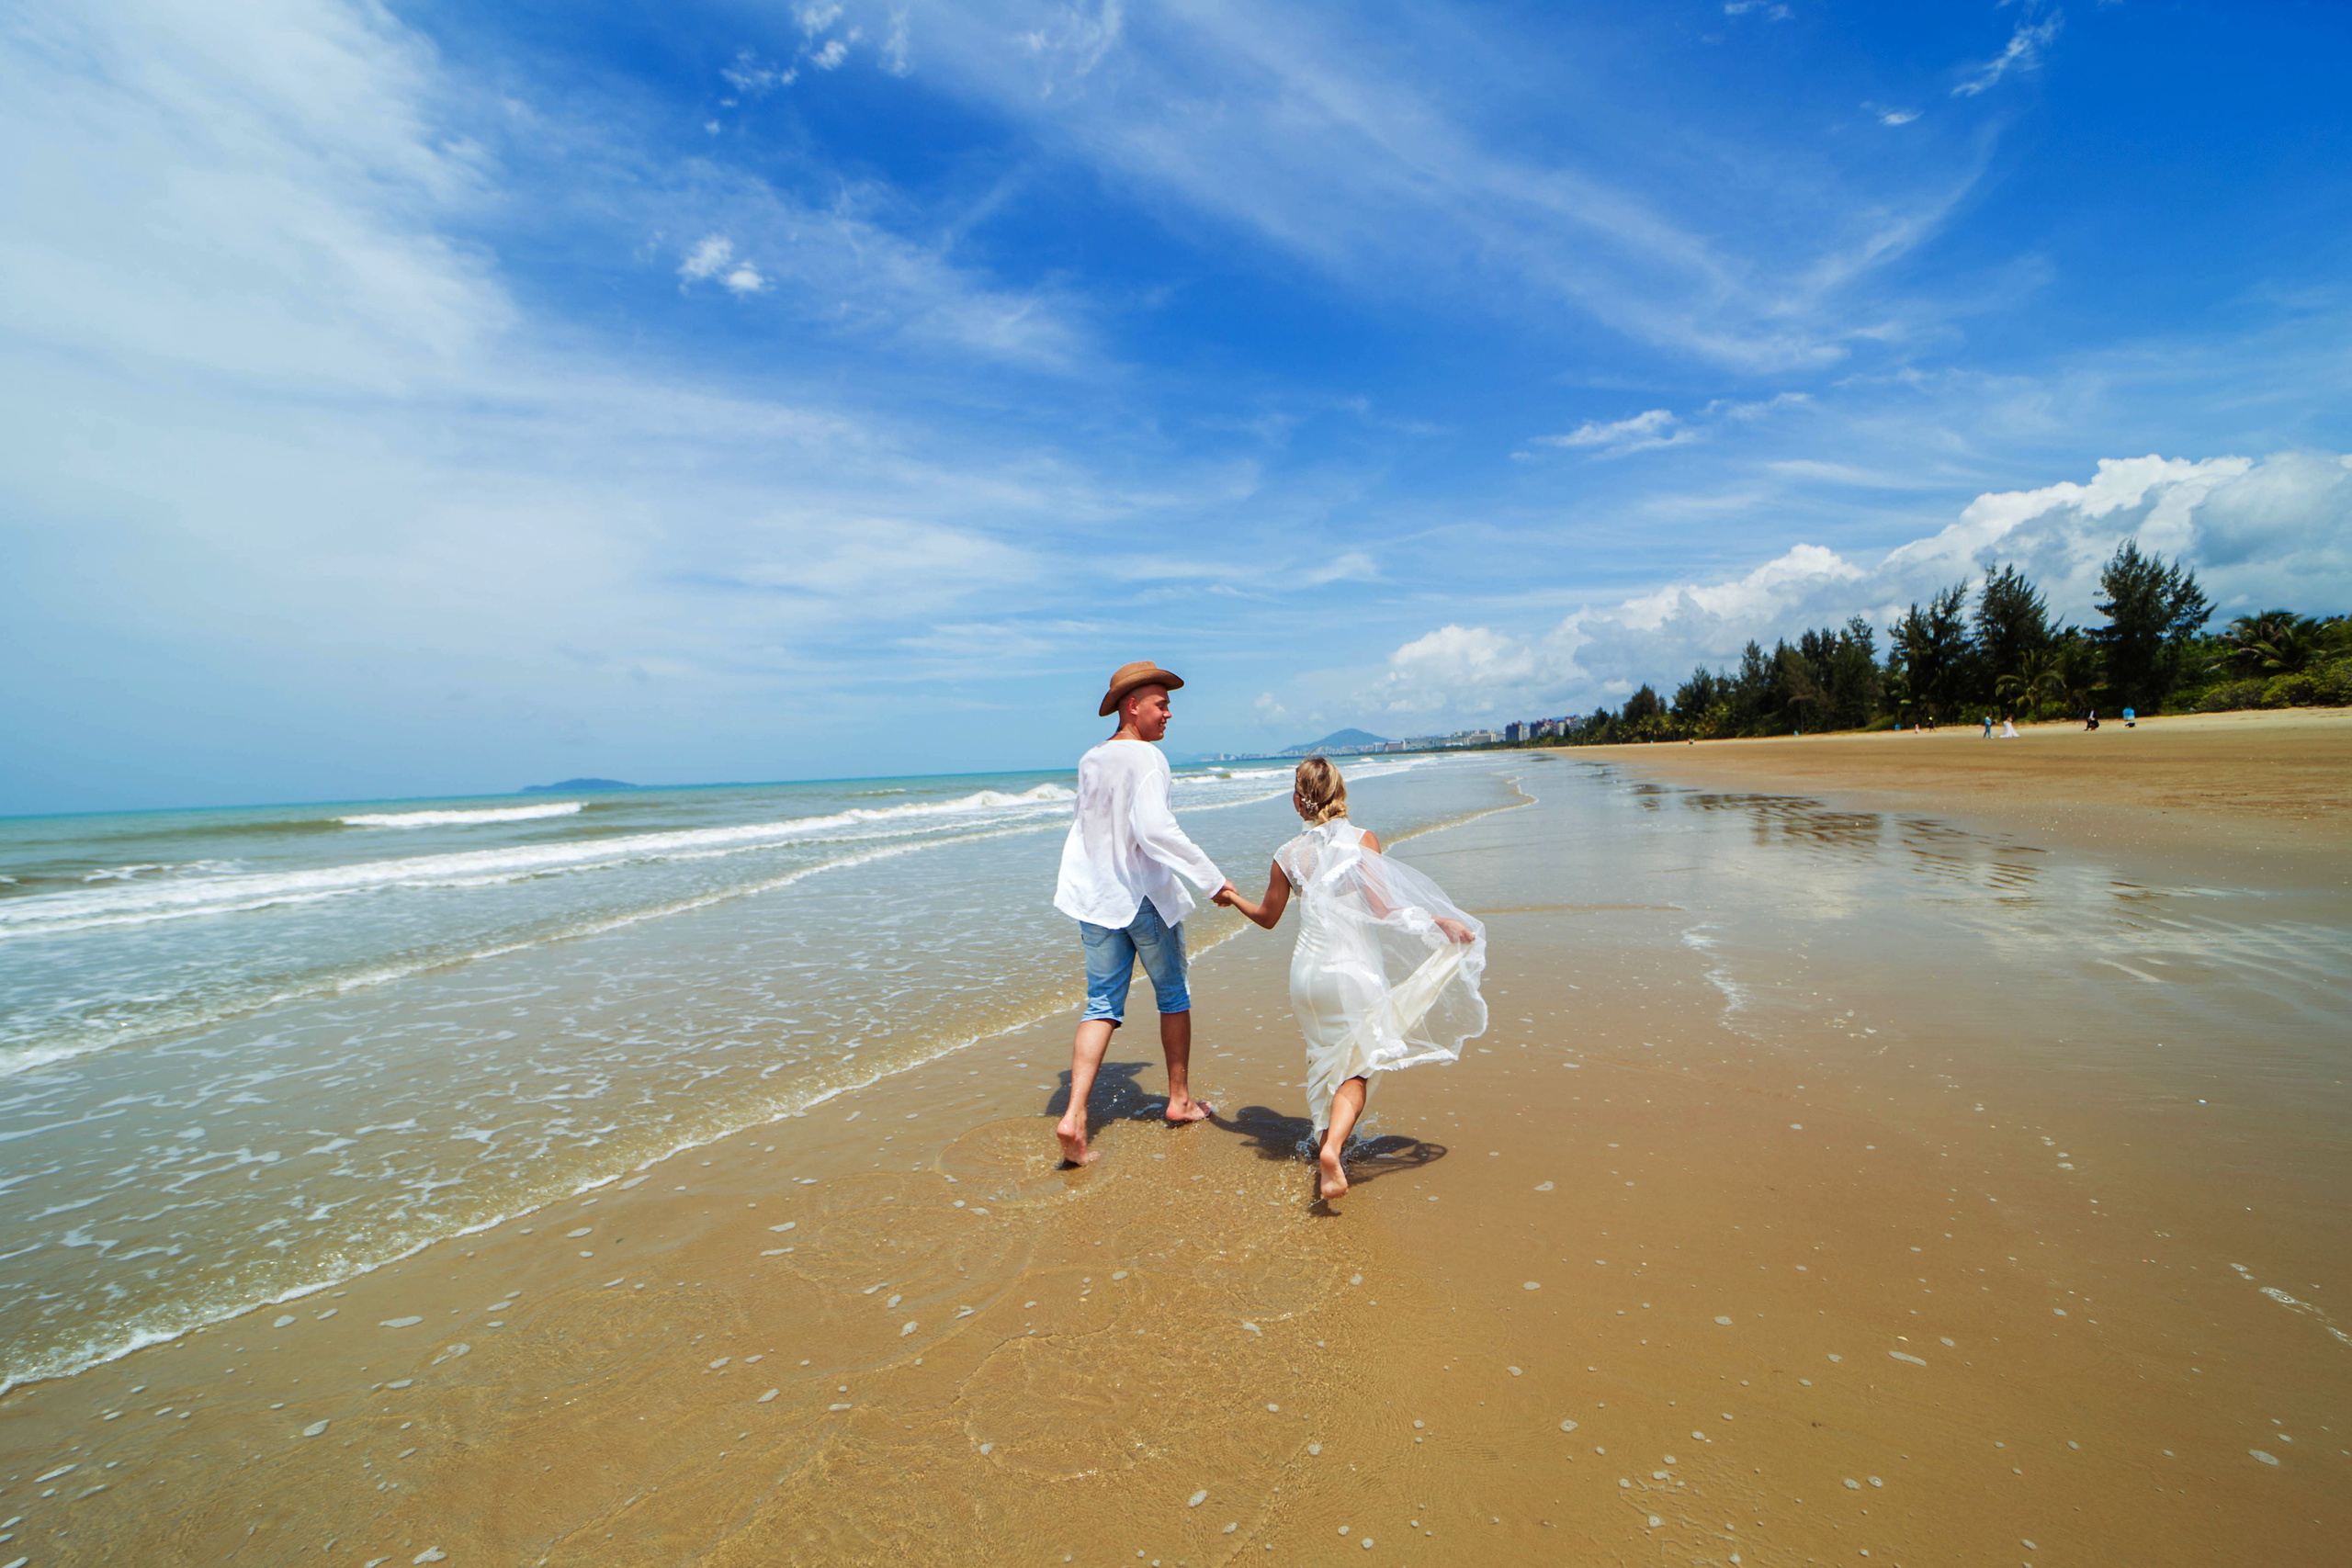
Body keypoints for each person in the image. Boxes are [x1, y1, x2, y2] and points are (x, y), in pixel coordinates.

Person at [1216, 759, 1487, 1203]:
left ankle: (1327, 1145)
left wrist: (1232, 897)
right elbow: (1385, 908)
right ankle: (1333, 1152)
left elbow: (1267, 918)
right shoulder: (1363, 841)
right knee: (1359, 1066)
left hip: (1305, 976)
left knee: (1324, 1059)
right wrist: (1439, 923)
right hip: (1352, 972)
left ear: (1297, 801)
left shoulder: (1288, 854)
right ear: (1340, 792)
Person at [1050, 660, 1237, 1167]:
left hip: (1095, 899)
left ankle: (1074, 1115)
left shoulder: (1092, 759)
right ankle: (1179, 1101)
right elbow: (1156, 831)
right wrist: (1212, 878)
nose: (1169, 713)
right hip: (1142, 898)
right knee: (1173, 994)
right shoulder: (1148, 759)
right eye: (1161, 704)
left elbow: (1086, 829)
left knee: (1100, 1007)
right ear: (1133, 706)